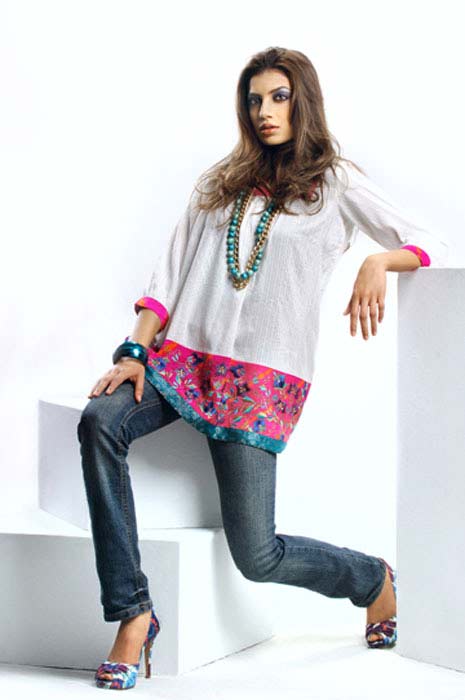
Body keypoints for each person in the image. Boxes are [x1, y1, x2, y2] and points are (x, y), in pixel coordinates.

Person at [77, 46, 449, 690]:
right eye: (254, 100)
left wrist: (378, 262)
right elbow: (167, 278)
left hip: (257, 387)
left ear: (304, 101)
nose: (264, 111)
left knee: (258, 555)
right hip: (181, 365)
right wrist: (134, 352)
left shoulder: (334, 183)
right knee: (98, 422)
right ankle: (133, 613)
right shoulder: (219, 182)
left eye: (279, 97)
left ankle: (372, 580)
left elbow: (431, 241)